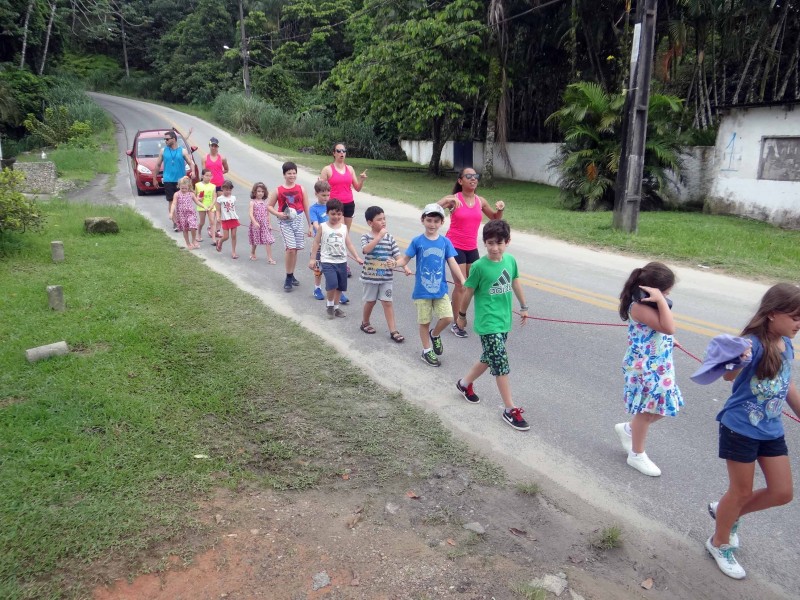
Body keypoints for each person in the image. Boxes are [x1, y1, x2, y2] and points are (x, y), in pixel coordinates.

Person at [705, 283, 800, 580]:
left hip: (771, 429)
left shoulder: (786, 344)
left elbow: (786, 384)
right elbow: (729, 376)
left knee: (782, 492)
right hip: (740, 428)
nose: (799, 324)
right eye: (795, 317)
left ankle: (727, 511)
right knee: (741, 491)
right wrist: (739, 357)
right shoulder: (753, 344)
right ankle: (718, 543)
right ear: (772, 314)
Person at [454, 220, 530, 431]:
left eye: (499, 243)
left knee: (489, 358)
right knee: (500, 363)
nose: (495, 248)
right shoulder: (479, 266)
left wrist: (524, 306)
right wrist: (461, 316)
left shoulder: (510, 261)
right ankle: (509, 409)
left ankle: (464, 384)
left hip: (504, 321)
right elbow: (468, 291)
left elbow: (515, 281)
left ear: (508, 242)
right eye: (490, 243)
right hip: (488, 323)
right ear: (484, 243)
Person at [613, 261, 682, 477]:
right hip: (645, 368)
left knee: (664, 406)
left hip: (659, 365)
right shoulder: (639, 307)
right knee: (646, 410)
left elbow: (660, 329)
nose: (667, 297)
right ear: (651, 292)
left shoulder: (649, 307)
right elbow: (669, 327)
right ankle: (636, 453)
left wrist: (666, 340)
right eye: (665, 293)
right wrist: (661, 301)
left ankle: (630, 429)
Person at [394, 204, 466, 367]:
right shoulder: (417, 241)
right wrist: (394, 264)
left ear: (442, 222)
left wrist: (462, 279)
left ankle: (435, 334)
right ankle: (426, 351)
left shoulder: (445, 242)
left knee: (448, 317)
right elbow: (405, 260)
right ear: (423, 220)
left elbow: (452, 262)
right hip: (422, 291)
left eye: (436, 221)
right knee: (424, 322)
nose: (432, 224)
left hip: (440, 290)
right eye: (429, 220)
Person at [438, 168, 505, 338]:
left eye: (475, 176)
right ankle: (457, 323)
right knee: (461, 285)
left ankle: (456, 307)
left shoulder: (480, 201)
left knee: (472, 285)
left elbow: (495, 218)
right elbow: (431, 209)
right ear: (460, 181)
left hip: (471, 247)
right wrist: (445, 200)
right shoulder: (455, 199)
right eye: (468, 176)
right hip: (454, 246)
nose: (473, 178)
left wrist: (500, 209)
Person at [359, 205, 411, 342]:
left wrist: (405, 267)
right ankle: (365, 322)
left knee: (387, 302)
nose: (383, 222)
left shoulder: (390, 238)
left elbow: (397, 255)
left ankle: (393, 331)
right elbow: (366, 250)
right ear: (370, 223)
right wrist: (378, 237)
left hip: (386, 277)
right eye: (379, 219)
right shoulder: (366, 237)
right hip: (370, 277)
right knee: (370, 302)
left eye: (384, 218)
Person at [307, 199, 363, 319]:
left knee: (340, 286)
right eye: (333, 214)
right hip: (327, 261)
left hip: (342, 262)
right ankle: (330, 306)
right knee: (332, 283)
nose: (336, 216)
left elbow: (349, 244)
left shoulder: (343, 228)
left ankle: (336, 308)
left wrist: (357, 257)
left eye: (339, 214)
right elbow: (316, 242)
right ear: (327, 213)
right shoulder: (323, 227)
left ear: (342, 214)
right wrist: (312, 259)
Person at [268, 162, 312, 292]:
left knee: (296, 249)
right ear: (284, 174)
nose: (292, 175)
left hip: (298, 219)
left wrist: (310, 225)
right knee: (290, 249)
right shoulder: (278, 190)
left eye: (294, 173)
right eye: (289, 173)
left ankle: (291, 274)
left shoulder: (301, 189)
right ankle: (288, 277)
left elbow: (306, 207)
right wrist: (278, 214)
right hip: (285, 222)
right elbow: (269, 206)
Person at [309, 181, 349, 304]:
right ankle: (317, 288)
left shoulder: (332, 207)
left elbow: (340, 223)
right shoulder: (313, 209)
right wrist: (324, 231)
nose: (326, 198)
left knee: (335, 267)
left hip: (333, 243)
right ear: (316, 194)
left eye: (328, 195)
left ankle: (337, 291)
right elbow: (316, 224)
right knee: (318, 267)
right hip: (321, 242)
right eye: (323, 195)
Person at [319, 142, 368, 231]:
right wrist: (320, 184)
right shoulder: (327, 169)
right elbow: (321, 189)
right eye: (338, 151)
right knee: (339, 230)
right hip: (335, 204)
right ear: (334, 153)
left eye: (344, 151)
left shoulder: (350, 169)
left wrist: (361, 180)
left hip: (349, 203)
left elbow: (357, 188)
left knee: (346, 232)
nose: (341, 153)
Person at [153, 129, 195, 231]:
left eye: (167, 139)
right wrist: (154, 178)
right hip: (168, 180)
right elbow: (157, 165)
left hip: (181, 181)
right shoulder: (163, 151)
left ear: (174, 139)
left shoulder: (182, 151)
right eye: (165, 139)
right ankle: (175, 223)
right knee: (171, 201)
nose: (165, 141)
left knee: (184, 201)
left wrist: (193, 171)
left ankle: (185, 221)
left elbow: (191, 163)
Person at [169, 176, 203, 249]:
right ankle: (188, 243)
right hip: (181, 215)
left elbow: (197, 202)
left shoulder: (191, 194)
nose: (184, 190)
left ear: (189, 187)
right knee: (185, 229)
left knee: (193, 226)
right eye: (182, 188)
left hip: (190, 213)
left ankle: (193, 240)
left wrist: (204, 206)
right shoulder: (177, 194)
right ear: (179, 186)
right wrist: (171, 213)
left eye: (185, 188)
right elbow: (174, 204)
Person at [248, 182, 275, 263]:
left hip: (264, 225)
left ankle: (270, 258)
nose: (261, 193)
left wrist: (269, 224)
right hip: (256, 225)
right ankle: (252, 252)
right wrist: (254, 222)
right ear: (254, 192)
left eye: (262, 191)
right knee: (255, 240)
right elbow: (250, 214)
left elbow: (267, 214)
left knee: (268, 240)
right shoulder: (252, 202)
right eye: (259, 191)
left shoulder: (265, 203)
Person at [215, 180, 240, 259]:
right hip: (225, 219)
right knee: (226, 237)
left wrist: (235, 216)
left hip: (233, 218)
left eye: (229, 190)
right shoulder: (219, 199)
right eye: (226, 190)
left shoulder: (233, 198)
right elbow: (218, 210)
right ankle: (220, 241)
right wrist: (218, 217)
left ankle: (233, 252)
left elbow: (233, 208)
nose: (228, 191)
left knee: (234, 235)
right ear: (222, 188)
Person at [195, 168, 217, 244]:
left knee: (212, 221)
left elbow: (214, 197)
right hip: (202, 206)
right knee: (202, 222)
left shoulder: (213, 186)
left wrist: (212, 205)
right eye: (207, 175)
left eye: (210, 176)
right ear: (202, 176)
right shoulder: (197, 185)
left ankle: (214, 239)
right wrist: (198, 198)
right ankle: (199, 233)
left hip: (210, 206)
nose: (208, 177)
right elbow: (195, 197)